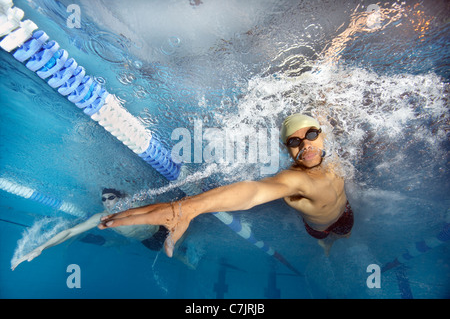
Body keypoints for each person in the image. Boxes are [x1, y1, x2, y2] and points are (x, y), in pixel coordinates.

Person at [99, 113, 354, 257]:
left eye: (311, 134)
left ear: (322, 133)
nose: (306, 145)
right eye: (295, 141)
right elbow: (253, 192)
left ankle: (336, 239)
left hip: (345, 214)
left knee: (346, 232)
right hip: (316, 227)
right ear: (286, 149)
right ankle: (325, 244)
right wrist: (188, 207)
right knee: (324, 239)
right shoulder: (297, 179)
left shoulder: (331, 152)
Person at [11, 188, 170, 270]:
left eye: (111, 198)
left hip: (160, 229)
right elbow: (70, 232)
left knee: (175, 240)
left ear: (120, 197)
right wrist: (41, 247)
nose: (107, 203)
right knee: (165, 251)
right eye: (104, 199)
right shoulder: (102, 217)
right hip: (147, 242)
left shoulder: (136, 206)